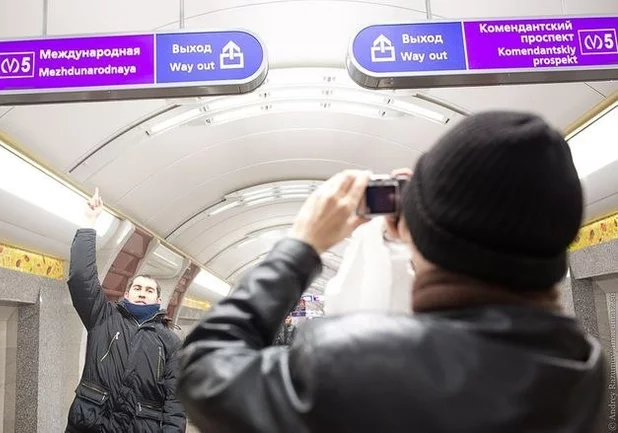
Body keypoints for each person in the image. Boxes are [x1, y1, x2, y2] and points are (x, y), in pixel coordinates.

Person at [174, 111, 605, 433]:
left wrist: (301, 246)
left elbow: (203, 368)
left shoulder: (353, 360)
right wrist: (426, 227)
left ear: (425, 235)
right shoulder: (583, 364)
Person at [66, 188, 186, 433]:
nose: (142, 292)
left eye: (149, 290)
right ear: (126, 294)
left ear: (158, 300)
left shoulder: (170, 342)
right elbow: (81, 278)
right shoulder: (103, 317)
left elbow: (177, 402)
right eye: (138, 287)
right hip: (91, 422)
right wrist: (89, 223)